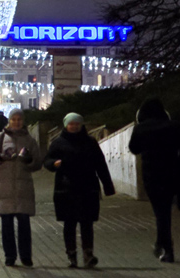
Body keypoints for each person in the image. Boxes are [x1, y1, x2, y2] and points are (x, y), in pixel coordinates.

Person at [43, 112, 115, 268]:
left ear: (81, 125)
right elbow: (47, 160)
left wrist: (108, 186)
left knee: (87, 223)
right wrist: (54, 163)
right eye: (71, 123)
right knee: (69, 223)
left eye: (77, 123)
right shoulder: (58, 143)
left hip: (87, 188)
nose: (74, 126)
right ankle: (72, 255)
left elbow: (100, 164)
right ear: (66, 125)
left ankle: (88, 254)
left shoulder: (90, 142)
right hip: (66, 188)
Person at [129, 98, 180, 263]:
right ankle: (160, 243)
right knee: (164, 213)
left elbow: (134, 148)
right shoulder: (175, 126)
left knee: (161, 213)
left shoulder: (140, 128)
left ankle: (167, 249)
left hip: (152, 176)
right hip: (172, 174)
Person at [0, 108, 43, 267]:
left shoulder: (30, 140)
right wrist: (0, 157)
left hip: (23, 186)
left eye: (19, 119)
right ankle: (10, 256)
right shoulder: (0, 137)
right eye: (13, 119)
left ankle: (26, 256)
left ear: (23, 121)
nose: (16, 122)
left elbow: (38, 162)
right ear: (9, 121)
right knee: (7, 224)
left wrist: (29, 160)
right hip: (4, 186)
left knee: (24, 223)